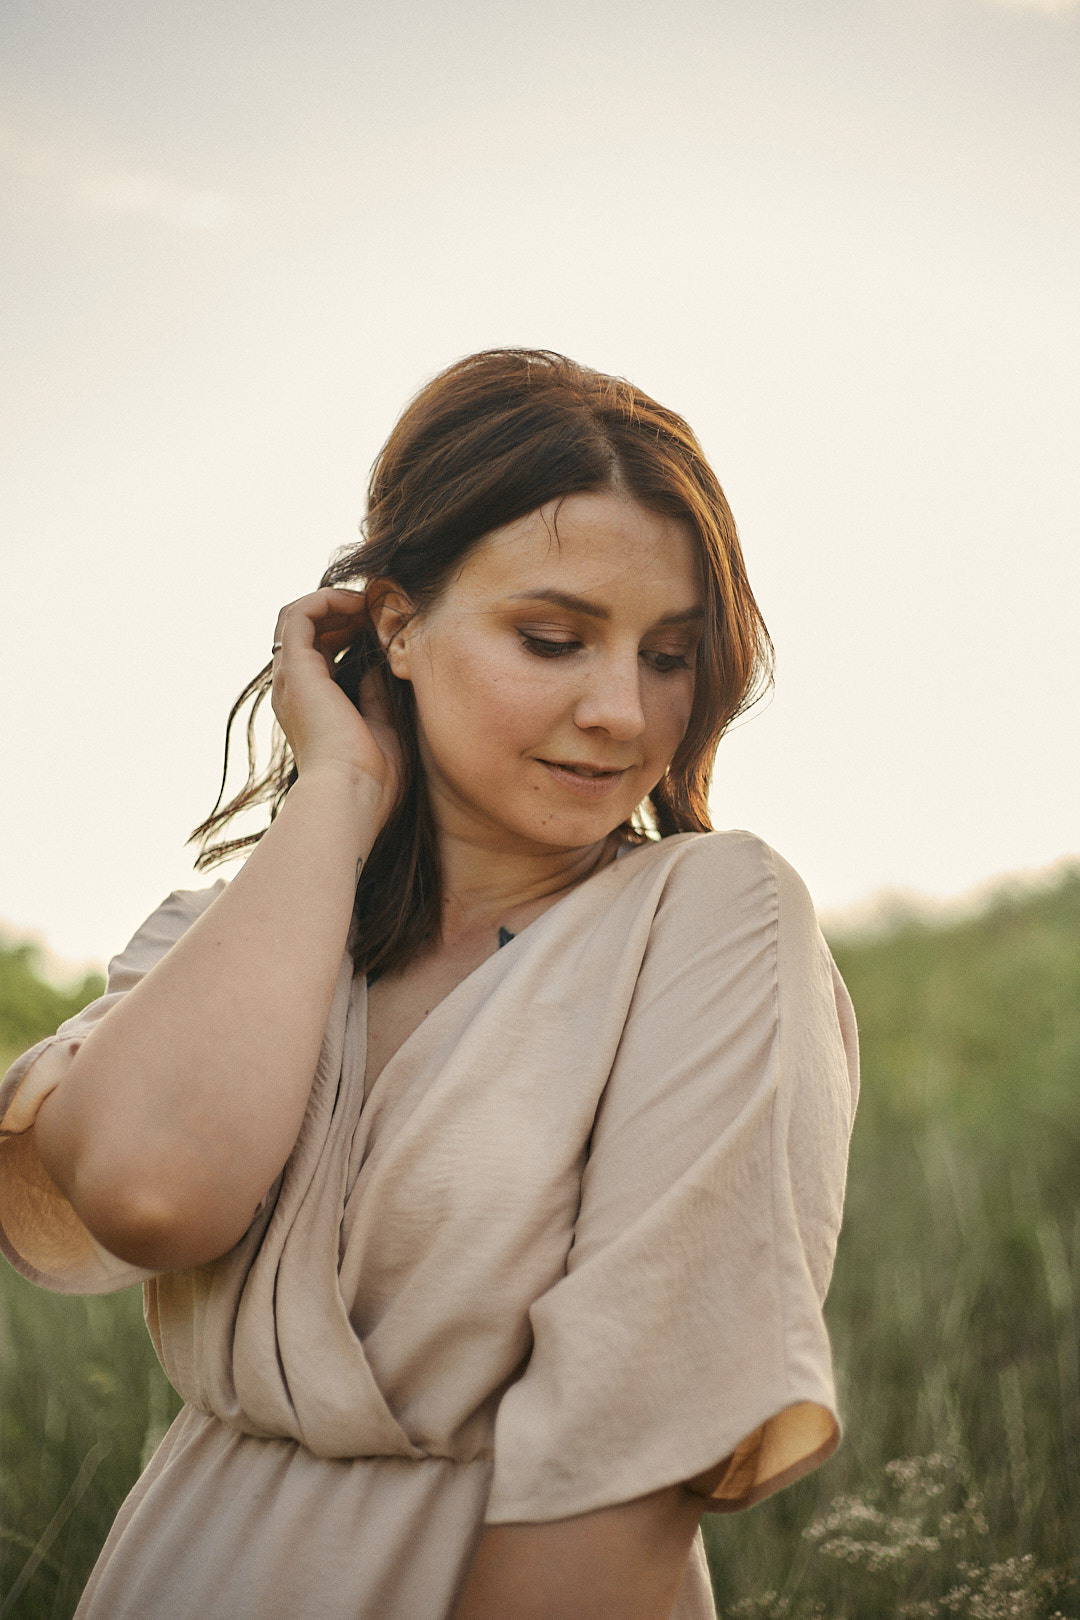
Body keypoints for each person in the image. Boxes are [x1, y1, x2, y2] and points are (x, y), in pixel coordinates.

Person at [0, 349, 858, 1620]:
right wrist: (338, 790)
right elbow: (150, 1190)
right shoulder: (219, 936)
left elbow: (624, 1462)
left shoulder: (711, 923)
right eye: (555, 639)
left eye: (670, 656)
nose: (622, 710)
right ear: (397, 624)